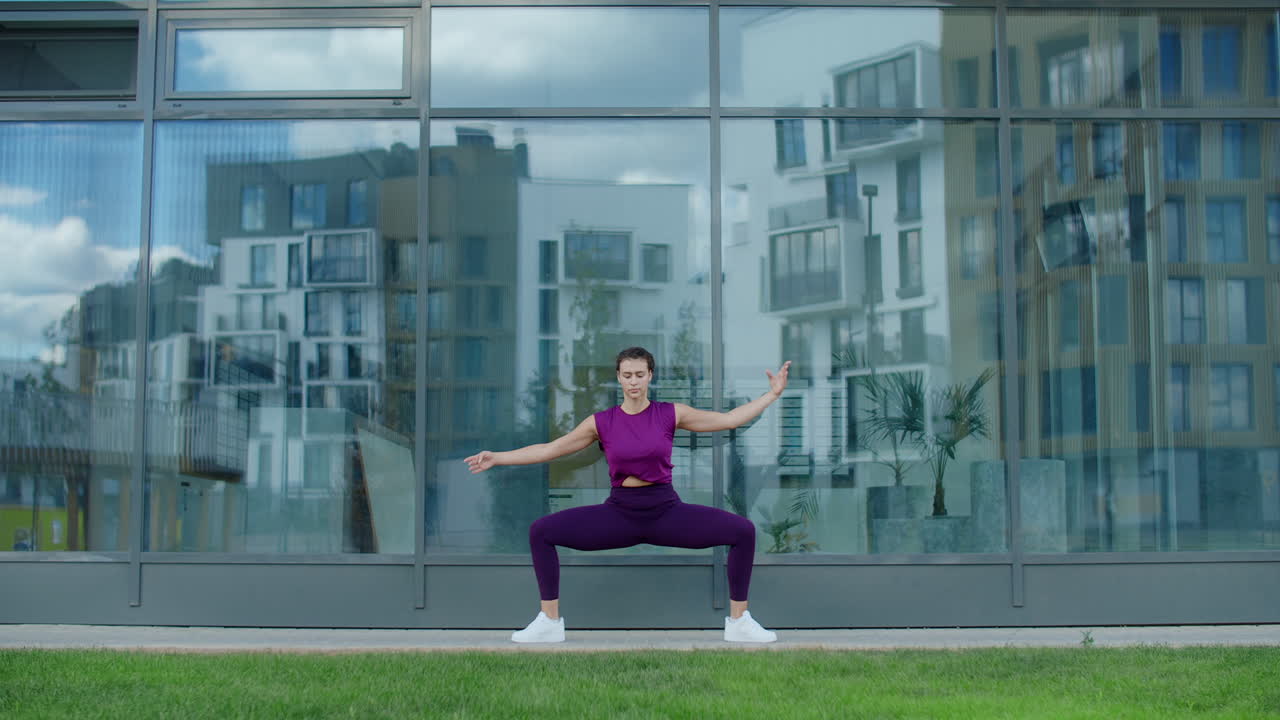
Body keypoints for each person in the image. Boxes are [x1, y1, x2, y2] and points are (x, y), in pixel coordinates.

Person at [465, 346, 791, 643]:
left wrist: (772, 395)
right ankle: (549, 621)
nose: (633, 381)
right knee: (541, 531)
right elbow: (551, 449)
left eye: (639, 374)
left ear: (650, 375)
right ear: (618, 378)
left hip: (666, 511)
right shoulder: (601, 423)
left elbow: (728, 419)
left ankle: (739, 622)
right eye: (627, 375)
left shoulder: (670, 414)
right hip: (619, 514)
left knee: (742, 531)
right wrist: (498, 457)